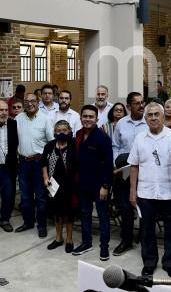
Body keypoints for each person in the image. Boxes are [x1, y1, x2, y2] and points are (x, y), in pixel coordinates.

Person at [128, 102, 171, 278]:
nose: (153, 118)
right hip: (146, 192)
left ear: (163, 116)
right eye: (149, 115)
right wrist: (132, 191)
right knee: (147, 230)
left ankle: (170, 263)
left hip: (170, 192)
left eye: (156, 114)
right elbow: (134, 166)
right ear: (145, 118)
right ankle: (149, 262)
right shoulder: (139, 138)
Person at [72, 105, 113, 259]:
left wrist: (105, 186)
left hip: (99, 185)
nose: (87, 119)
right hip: (83, 184)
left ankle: (104, 247)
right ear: (81, 117)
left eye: (91, 117)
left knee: (103, 216)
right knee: (85, 214)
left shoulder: (103, 138)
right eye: (85, 116)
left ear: (96, 119)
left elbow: (108, 164)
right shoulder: (78, 134)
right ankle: (86, 242)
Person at [111, 92, 147, 256]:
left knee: (145, 207)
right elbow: (115, 145)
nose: (141, 105)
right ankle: (126, 240)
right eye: (137, 103)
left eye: (142, 102)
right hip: (124, 171)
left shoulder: (149, 121)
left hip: (146, 171)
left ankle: (145, 238)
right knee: (125, 207)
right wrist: (116, 164)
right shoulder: (121, 124)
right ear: (128, 106)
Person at [15, 92, 53, 237]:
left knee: (41, 196)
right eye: (26, 101)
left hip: (39, 163)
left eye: (32, 101)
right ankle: (28, 222)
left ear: (38, 102)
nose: (29, 104)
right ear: (23, 103)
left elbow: (51, 143)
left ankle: (41, 225)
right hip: (23, 162)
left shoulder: (45, 119)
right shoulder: (18, 119)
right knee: (25, 196)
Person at [41, 120, 77, 253]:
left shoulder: (74, 145)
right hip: (53, 186)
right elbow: (43, 163)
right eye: (58, 130)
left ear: (69, 131)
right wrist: (45, 178)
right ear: (54, 132)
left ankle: (69, 240)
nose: (61, 132)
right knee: (56, 213)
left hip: (69, 186)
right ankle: (58, 238)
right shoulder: (49, 145)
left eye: (64, 130)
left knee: (68, 213)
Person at [0, 100, 19, 232]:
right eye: (1, 110)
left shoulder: (13, 124)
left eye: (6, 110)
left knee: (8, 194)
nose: (4, 113)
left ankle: (4, 219)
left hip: (8, 166)